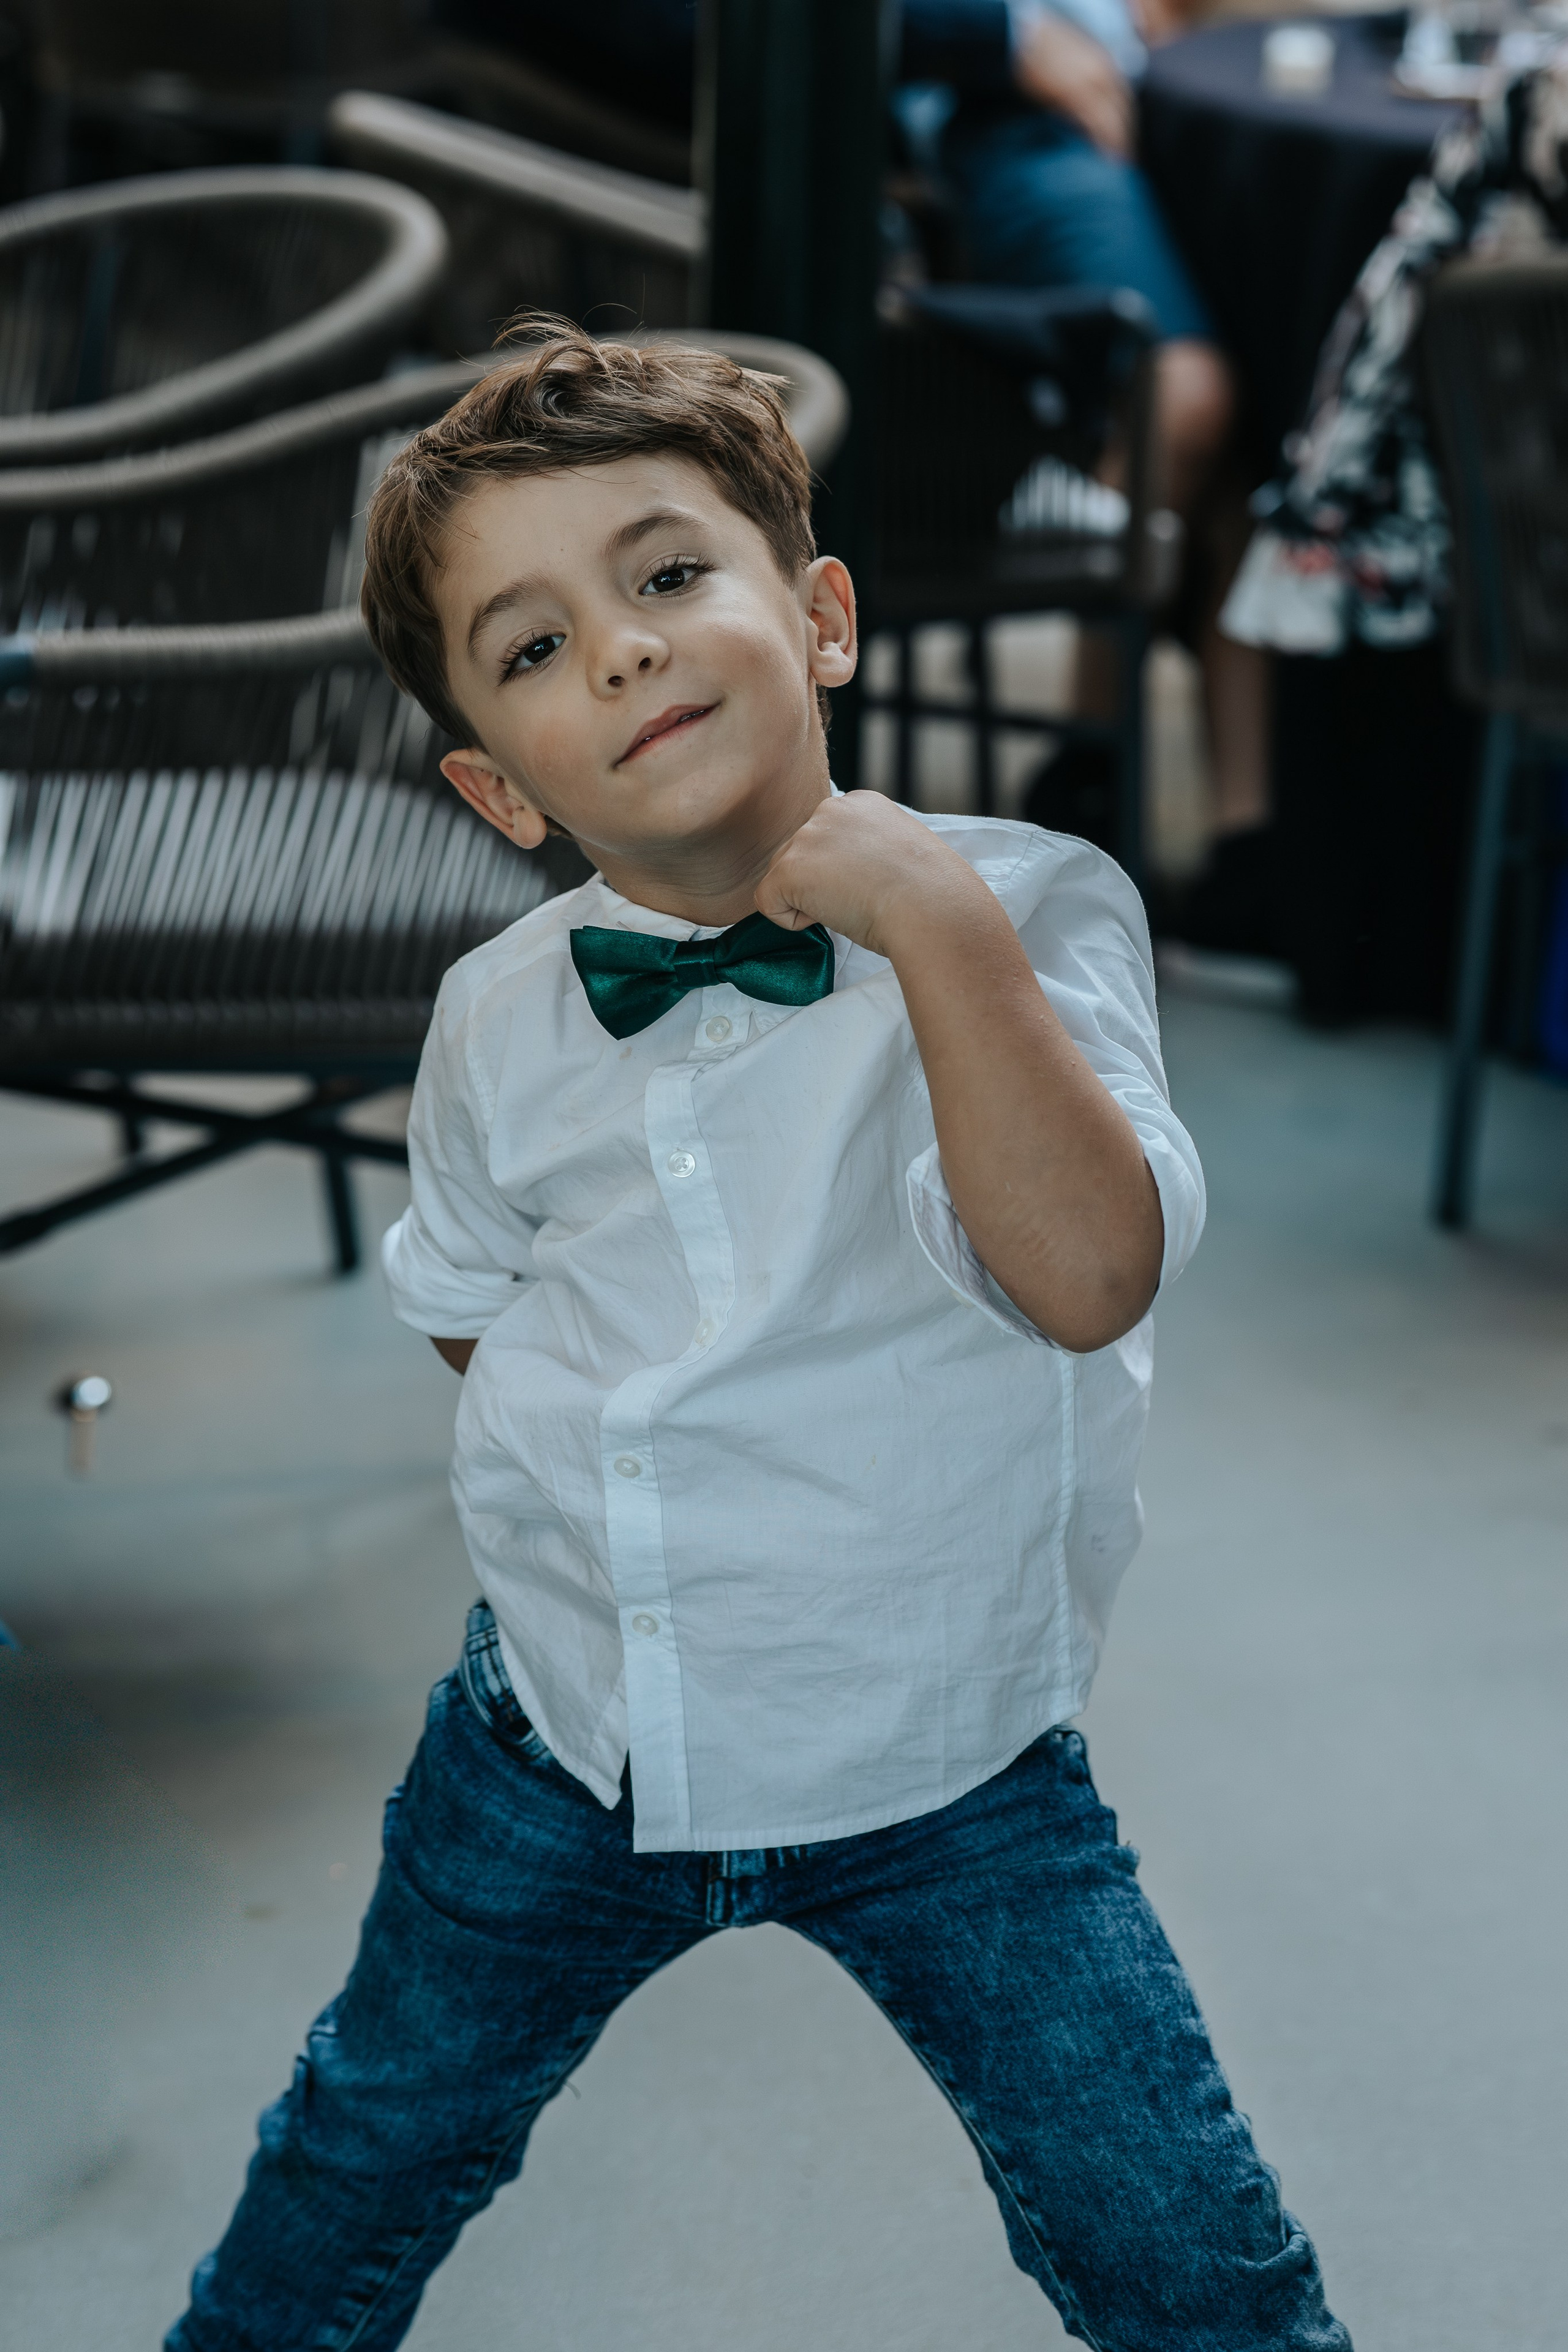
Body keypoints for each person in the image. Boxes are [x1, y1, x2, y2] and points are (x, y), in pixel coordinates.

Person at [164, 322, 1349, 2352]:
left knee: (1183, 2254)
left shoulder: (1032, 912)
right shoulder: (494, 1020)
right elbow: (468, 1307)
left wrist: (938, 929)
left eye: (665, 575)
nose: (622, 650)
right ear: (495, 787)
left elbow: (1088, 1277)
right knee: (360, 2156)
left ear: (820, 619)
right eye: (536, 648)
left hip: (947, 1760)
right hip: (567, 1735)